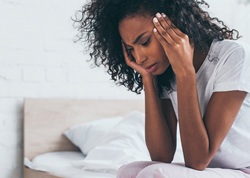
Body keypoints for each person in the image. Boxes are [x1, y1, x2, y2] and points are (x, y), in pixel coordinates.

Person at [74, 0, 250, 177]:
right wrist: (148, 79)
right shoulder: (167, 73)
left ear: (173, 26)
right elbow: (161, 155)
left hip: (244, 169)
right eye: (130, 49)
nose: (139, 57)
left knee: (154, 173)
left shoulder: (233, 55)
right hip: (215, 170)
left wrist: (185, 73)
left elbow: (198, 160)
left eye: (144, 42)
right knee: (129, 171)